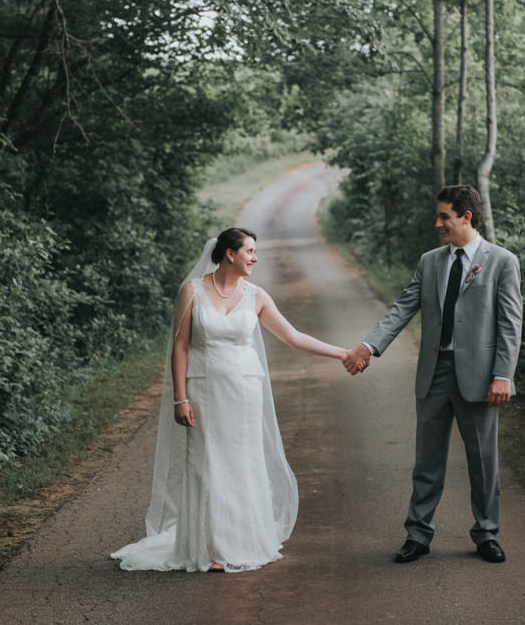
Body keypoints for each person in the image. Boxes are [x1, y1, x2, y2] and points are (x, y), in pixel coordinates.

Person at [111, 227, 350, 573]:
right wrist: (181, 399)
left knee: (242, 461)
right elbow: (180, 346)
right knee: (206, 463)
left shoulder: (257, 296)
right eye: (250, 251)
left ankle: (241, 542)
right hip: (204, 390)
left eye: (255, 251)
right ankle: (208, 547)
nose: (255, 258)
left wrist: (342, 353)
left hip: (244, 393)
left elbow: (293, 337)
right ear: (229, 254)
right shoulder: (191, 291)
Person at [343, 185, 522, 564]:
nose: (437, 223)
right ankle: (418, 534)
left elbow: (510, 324)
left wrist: (503, 375)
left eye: (444, 216)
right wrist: (368, 346)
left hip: (480, 376)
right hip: (434, 373)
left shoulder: (502, 261)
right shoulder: (430, 261)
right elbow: (402, 308)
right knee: (427, 460)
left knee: (483, 461)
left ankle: (487, 534)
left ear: (465, 217)